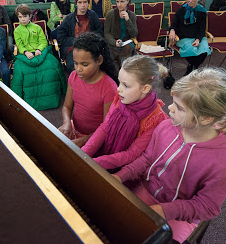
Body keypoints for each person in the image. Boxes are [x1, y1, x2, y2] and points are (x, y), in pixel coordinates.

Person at [112, 67, 226, 243]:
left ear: (205, 119)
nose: (170, 108)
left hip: (181, 214)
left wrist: (165, 210)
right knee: (114, 222)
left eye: (179, 107)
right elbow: (147, 159)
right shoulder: (166, 127)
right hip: (147, 191)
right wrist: (121, 176)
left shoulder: (221, 161)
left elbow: (207, 206)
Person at [82, 55, 168, 170]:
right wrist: (84, 153)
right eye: (119, 82)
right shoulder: (121, 98)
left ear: (145, 89)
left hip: (130, 169)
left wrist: (95, 162)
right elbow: (105, 127)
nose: (118, 89)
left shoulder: (155, 119)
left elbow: (131, 155)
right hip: (109, 157)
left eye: (126, 85)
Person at [59, 32, 118, 148]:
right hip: (76, 131)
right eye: (76, 63)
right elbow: (67, 107)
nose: (78, 69)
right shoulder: (73, 76)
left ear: (99, 60)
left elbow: (106, 128)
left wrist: (83, 141)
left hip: (96, 138)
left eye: (84, 64)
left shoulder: (109, 88)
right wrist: (67, 123)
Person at [12, 4, 67, 110]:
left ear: (29, 16)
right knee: (19, 70)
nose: (23, 19)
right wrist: (25, 52)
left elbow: (43, 41)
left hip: (40, 52)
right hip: (26, 54)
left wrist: (39, 49)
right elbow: (19, 44)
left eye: (25, 16)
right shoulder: (17, 30)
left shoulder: (37, 27)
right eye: (20, 17)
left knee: (53, 63)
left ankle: (60, 92)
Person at [57, 0, 103, 73]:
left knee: (95, 65)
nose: (82, 5)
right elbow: (61, 36)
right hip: (73, 48)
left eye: (85, 2)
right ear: (76, 4)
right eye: (80, 2)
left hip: (90, 47)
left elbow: (99, 32)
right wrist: (75, 41)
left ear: (88, 3)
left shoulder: (93, 15)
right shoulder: (69, 18)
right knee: (74, 67)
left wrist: (91, 41)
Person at [169, 0, 211, 75]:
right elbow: (174, 25)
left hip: (197, 37)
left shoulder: (202, 12)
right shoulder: (181, 11)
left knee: (204, 50)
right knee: (191, 50)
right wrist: (172, 30)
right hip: (184, 38)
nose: (190, 0)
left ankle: (192, 68)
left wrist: (198, 39)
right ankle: (193, 69)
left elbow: (202, 29)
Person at [104, 0, 138, 72]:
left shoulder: (132, 15)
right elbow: (106, 33)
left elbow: (134, 34)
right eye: (117, 1)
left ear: (128, 1)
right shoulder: (111, 14)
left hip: (126, 43)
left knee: (127, 50)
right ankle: (114, 76)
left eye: (122, 1)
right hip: (113, 44)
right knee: (108, 57)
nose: (119, 4)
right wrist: (114, 42)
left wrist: (127, 20)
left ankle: (123, 72)